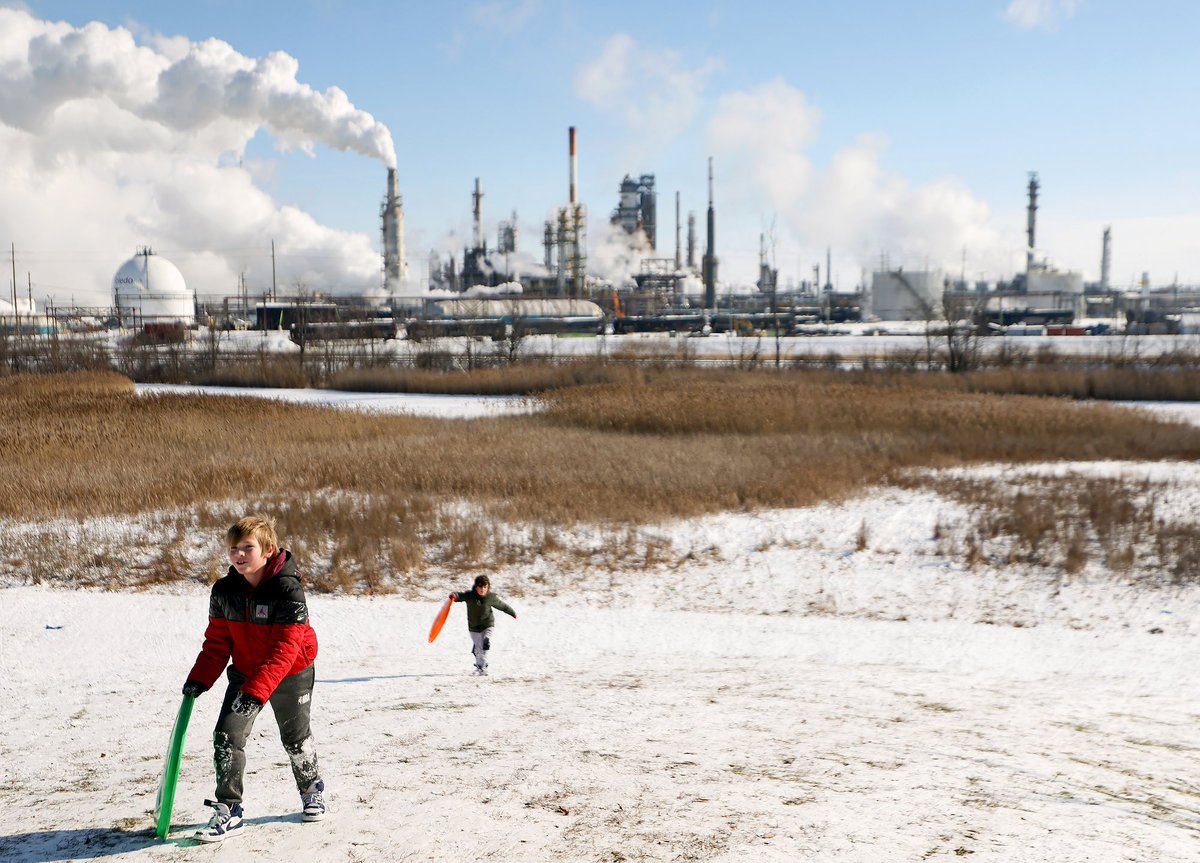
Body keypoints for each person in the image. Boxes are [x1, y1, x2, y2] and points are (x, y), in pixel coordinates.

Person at [181, 515, 325, 843]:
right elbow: (218, 643)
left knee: (295, 738)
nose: (239, 555)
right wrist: (199, 680)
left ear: (268, 550)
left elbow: (286, 648)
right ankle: (230, 810)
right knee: (226, 736)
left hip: (290, 674)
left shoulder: (288, 589)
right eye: (234, 549)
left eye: (248, 548)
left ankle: (311, 789)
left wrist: (257, 692)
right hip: (245, 673)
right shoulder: (224, 591)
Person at [450, 575, 516, 675]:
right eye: (480, 587)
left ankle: (483, 664)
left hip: (487, 624)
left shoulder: (491, 597)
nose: (482, 589)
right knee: (478, 649)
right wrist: (453, 596)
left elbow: (502, 606)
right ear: (476, 587)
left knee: (485, 642)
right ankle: (479, 667)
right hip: (474, 627)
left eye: (485, 587)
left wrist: (512, 613)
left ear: (488, 587)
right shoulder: (470, 596)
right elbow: (459, 596)